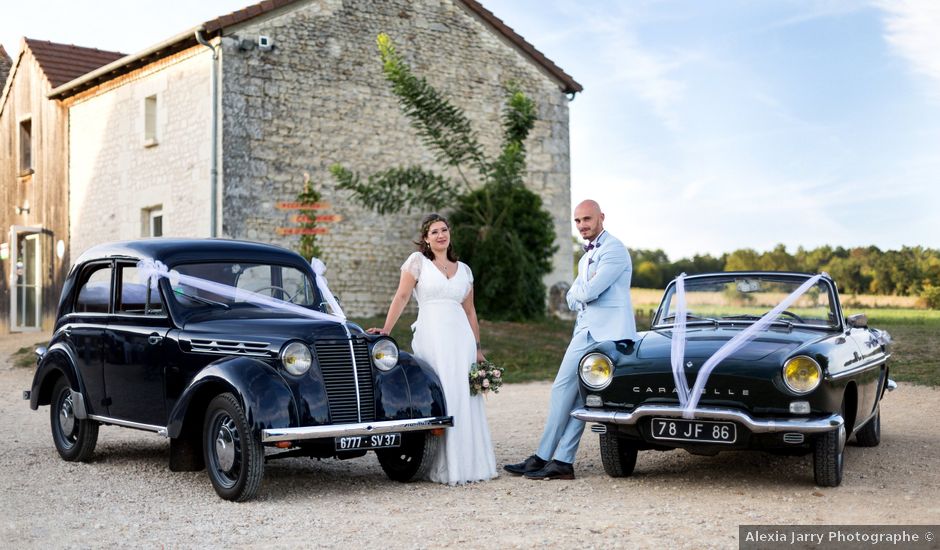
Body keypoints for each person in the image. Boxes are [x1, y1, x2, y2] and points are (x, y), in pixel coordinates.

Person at [504, 199, 637, 480]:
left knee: (570, 392)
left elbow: (588, 293)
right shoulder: (586, 256)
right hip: (586, 331)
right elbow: (572, 296)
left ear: (601, 217)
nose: (582, 226)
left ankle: (550, 458)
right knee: (571, 394)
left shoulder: (614, 250)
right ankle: (558, 460)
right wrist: (580, 293)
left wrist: (580, 293)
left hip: (608, 335)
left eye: (587, 219)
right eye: (577, 221)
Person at [368, 213, 498, 485]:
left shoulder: (464, 270)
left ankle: (469, 464)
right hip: (433, 334)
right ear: (426, 239)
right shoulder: (417, 263)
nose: (440, 235)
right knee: (442, 391)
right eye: (434, 232)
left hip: (461, 338)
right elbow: (402, 296)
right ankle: (437, 461)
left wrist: (477, 348)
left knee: (463, 396)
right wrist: (386, 330)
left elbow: (470, 311)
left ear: (449, 234)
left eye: (444, 230)